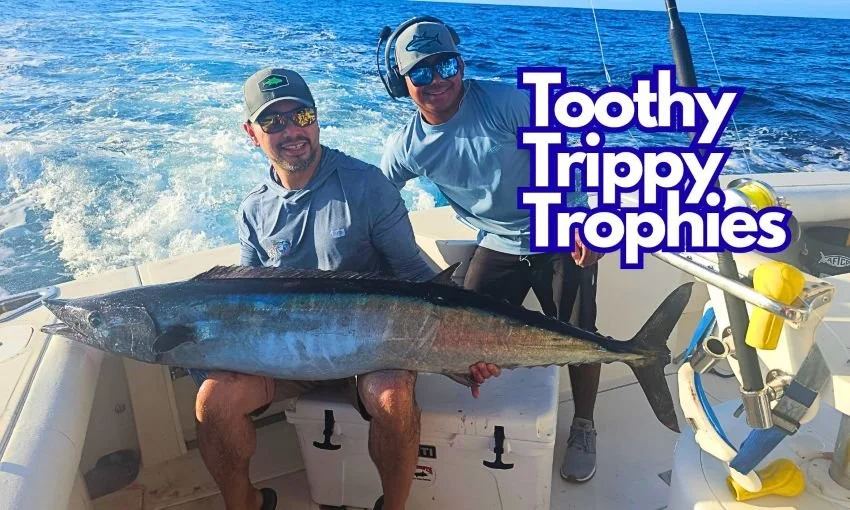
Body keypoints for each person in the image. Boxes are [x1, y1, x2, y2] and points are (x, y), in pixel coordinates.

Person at [192, 67, 500, 510]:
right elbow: (245, 299)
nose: (291, 131)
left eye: (301, 116)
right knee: (212, 401)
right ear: (251, 132)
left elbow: (415, 275)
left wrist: (468, 342)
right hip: (284, 358)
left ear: (316, 119)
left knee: (394, 398)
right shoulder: (253, 211)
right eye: (273, 122)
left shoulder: (366, 185)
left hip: (369, 351)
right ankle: (245, 504)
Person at [378, 18, 605, 484]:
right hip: (497, 244)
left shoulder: (506, 102)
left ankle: (584, 423)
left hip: (555, 230)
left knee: (580, 334)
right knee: (461, 333)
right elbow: (379, 202)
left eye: (447, 64)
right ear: (401, 83)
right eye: (421, 72)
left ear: (461, 64)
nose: (438, 80)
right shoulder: (405, 147)